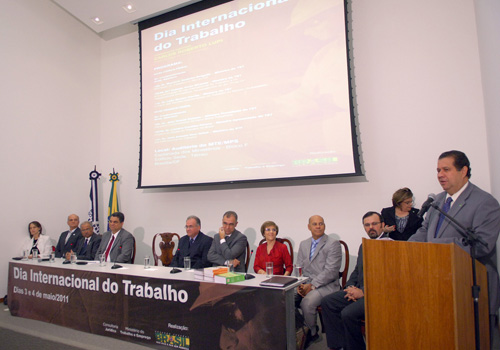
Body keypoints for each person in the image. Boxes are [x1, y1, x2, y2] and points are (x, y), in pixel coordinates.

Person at [409, 150, 500, 332]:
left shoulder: (485, 202)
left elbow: (482, 244)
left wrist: (435, 245)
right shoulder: (439, 200)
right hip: (439, 286)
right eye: (438, 170)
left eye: (446, 169)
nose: (440, 175)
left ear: (463, 170)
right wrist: (405, 248)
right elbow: (425, 231)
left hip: (472, 289)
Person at [320, 211, 388, 350]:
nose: (371, 227)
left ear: (382, 225)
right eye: (367, 225)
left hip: (377, 295)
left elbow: (386, 280)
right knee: (328, 302)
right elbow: (357, 270)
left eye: (374, 224)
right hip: (358, 290)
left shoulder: (389, 246)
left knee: (348, 313)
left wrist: (362, 292)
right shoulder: (364, 245)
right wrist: (350, 286)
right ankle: (338, 346)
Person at [295, 215, 342, 348]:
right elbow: (299, 266)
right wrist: (300, 285)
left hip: (326, 285)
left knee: (307, 302)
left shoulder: (333, 244)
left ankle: (311, 333)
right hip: (306, 283)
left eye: (321, 223)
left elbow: (331, 271)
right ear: (309, 227)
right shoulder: (303, 244)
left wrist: (312, 285)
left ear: (324, 226)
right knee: (285, 298)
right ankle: (298, 330)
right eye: (315, 224)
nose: (318, 226)